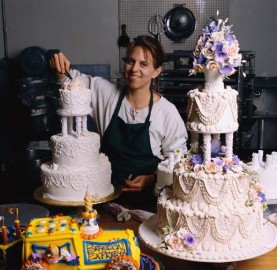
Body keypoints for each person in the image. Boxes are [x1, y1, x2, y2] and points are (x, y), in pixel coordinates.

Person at [50, 35, 187, 203]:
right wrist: (58, 64)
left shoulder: (167, 112)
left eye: (144, 64)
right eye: (130, 61)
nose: (134, 69)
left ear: (156, 71)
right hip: (104, 198)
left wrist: (152, 178)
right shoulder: (105, 93)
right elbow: (68, 79)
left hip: (151, 205)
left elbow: (177, 161)